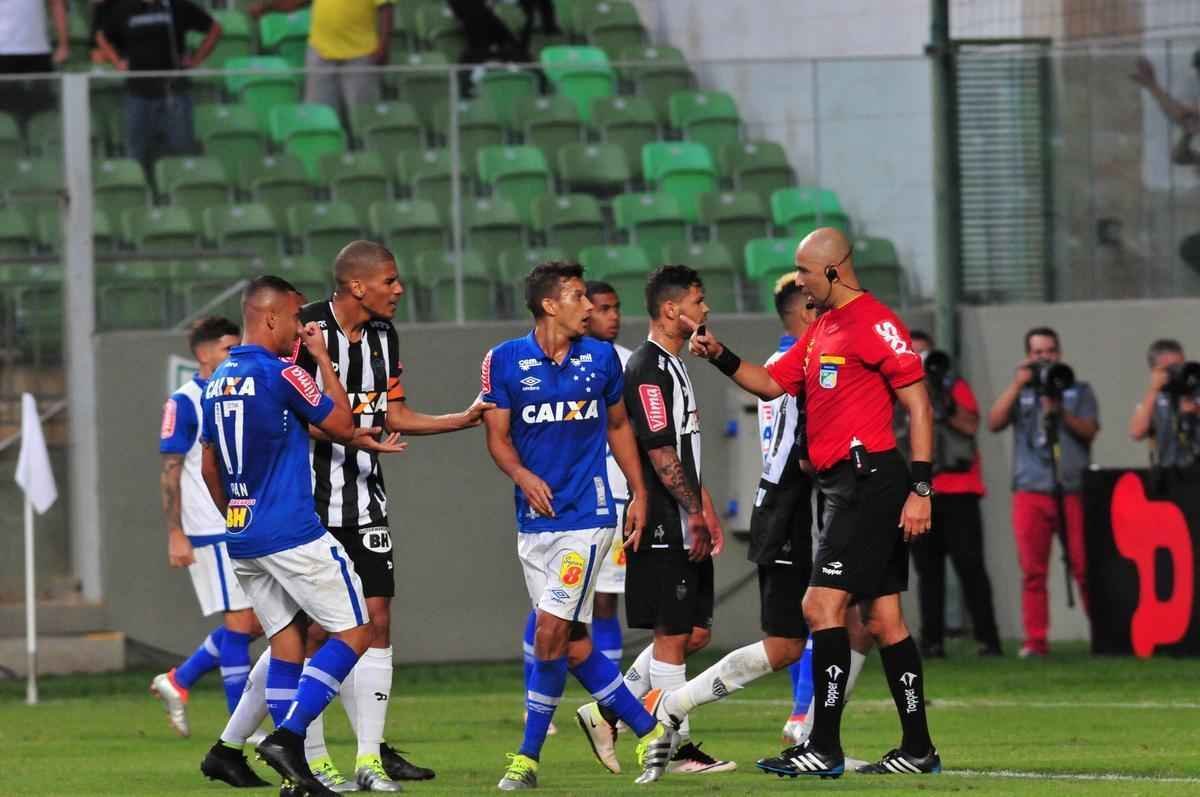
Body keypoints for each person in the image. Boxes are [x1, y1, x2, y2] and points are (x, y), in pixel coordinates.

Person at [683, 227, 941, 778]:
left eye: (803, 270)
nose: (798, 281)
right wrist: (719, 355)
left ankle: (822, 745)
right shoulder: (823, 325)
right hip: (843, 485)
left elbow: (919, 406)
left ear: (831, 270)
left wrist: (921, 489)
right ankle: (918, 749)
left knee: (820, 607)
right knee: (884, 619)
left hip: (870, 480)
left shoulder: (875, 323)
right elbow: (770, 383)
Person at [292, 240, 487, 791]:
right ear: (357, 286)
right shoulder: (306, 330)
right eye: (390, 280)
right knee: (315, 631)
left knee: (377, 620)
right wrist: (349, 433)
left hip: (365, 497)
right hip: (307, 501)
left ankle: (369, 760)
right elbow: (292, 416)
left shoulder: (383, 334)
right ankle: (313, 760)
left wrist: (458, 420)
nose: (399, 290)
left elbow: (392, 413)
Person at [480, 261, 678, 789]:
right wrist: (522, 474)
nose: (588, 306)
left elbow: (618, 425)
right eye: (577, 296)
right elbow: (497, 436)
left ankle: (527, 759)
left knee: (549, 631)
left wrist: (639, 493)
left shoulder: (601, 358)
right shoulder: (503, 360)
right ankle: (650, 730)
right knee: (570, 644)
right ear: (550, 305)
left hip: (588, 517)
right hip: (534, 522)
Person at [197, 275, 372, 797]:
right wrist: (322, 359)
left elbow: (209, 466)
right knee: (355, 632)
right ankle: (288, 738)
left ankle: (293, 777)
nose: (301, 328)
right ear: (271, 316)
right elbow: (342, 424)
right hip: (291, 531)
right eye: (297, 318)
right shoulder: (283, 373)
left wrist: (238, 514)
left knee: (287, 641)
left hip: (244, 536)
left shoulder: (217, 379)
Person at [576, 265, 734, 777]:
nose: (705, 308)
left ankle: (607, 711)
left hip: (683, 512)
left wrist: (705, 505)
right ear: (671, 309)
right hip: (665, 519)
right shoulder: (647, 368)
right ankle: (675, 748)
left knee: (694, 633)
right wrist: (692, 512)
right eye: (698, 300)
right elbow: (661, 453)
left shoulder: (674, 363)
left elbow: (682, 450)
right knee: (671, 634)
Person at [151, 317, 264, 747]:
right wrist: (175, 533)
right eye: (228, 349)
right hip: (209, 528)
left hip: (242, 522)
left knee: (255, 623)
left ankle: (179, 680)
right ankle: (241, 726)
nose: (235, 356)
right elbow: (170, 469)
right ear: (203, 354)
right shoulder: (184, 402)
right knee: (239, 622)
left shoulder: (236, 392)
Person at [987, 327, 1099, 658]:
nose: (1045, 357)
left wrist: (1060, 410)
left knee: (1084, 565)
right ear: (1028, 356)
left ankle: (1103, 635)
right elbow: (994, 422)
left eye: (1050, 351)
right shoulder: (1022, 391)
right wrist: (1018, 384)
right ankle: (1036, 641)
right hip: (1030, 490)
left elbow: (1090, 431)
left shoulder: (1077, 389)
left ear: (1059, 352)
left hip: (1071, 489)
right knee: (1033, 571)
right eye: (1037, 352)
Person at [899, 330, 1002, 659]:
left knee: (970, 566)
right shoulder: (897, 391)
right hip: (921, 493)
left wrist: (940, 396)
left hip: (960, 491)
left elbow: (970, 426)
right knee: (928, 572)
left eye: (925, 355)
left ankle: (988, 640)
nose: (921, 362)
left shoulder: (954, 386)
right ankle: (932, 641)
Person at [97, 0, 221, 191]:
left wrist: (196, 59)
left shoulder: (177, 6)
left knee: (182, 152)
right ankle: (142, 198)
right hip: (138, 94)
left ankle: (181, 197)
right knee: (137, 154)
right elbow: (102, 36)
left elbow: (214, 29)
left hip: (175, 93)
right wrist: (117, 61)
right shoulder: (124, 8)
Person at [584, 280, 632, 666]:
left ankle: (607, 694)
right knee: (551, 602)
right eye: (603, 309)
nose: (613, 316)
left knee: (605, 600)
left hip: (615, 497)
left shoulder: (630, 363)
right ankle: (534, 693)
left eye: (616, 308)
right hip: (568, 497)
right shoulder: (555, 359)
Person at [247, 0, 391, 125]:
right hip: (321, 52)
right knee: (318, 116)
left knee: (364, 117)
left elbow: (386, 7)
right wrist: (268, 7)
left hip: (360, 55)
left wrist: (383, 45)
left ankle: (363, 148)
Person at [1129, 338, 1200, 469]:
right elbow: (1136, 433)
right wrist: (1154, 389)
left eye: (1180, 366)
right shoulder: (1153, 399)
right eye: (1171, 368)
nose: (1177, 372)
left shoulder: (1195, 390)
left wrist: (1196, 411)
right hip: (1169, 471)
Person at [0, 0, 69, 119]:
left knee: (41, 111)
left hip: (38, 51)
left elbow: (56, 3)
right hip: (3, 51)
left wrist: (63, 44)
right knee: (5, 111)